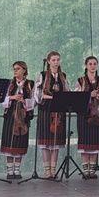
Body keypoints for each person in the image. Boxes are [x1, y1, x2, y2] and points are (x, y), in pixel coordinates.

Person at [34, 51, 67, 179]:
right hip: (45, 111)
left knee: (55, 144)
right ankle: (47, 170)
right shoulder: (42, 75)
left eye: (58, 59)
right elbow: (37, 94)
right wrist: (52, 97)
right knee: (46, 143)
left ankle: (53, 170)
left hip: (59, 112)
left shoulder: (63, 76)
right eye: (53, 60)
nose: (56, 62)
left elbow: (67, 91)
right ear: (48, 61)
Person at [74, 56, 99, 179]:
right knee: (85, 143)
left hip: (97, 115)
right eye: (90, 64)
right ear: (86, 65)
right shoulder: (80, 81)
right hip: (84, 115)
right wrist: (89, 95)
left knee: (94, 143)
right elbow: (76, 97)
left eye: (94, 64)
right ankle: (85, 170)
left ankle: (92, 171)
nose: (92, 66)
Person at [0, 61, 34, 180]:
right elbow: (2, 100)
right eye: (14, 69)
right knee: (9, 142)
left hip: (23, 117)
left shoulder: (30, 84)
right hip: (10, 116)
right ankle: (10, 170)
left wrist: (24, 101)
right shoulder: (9, 84)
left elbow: (34, 100)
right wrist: (12, 97)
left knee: (20, 142)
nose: (15, 71)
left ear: (24, 70)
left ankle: (17, 169)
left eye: (18, 69)